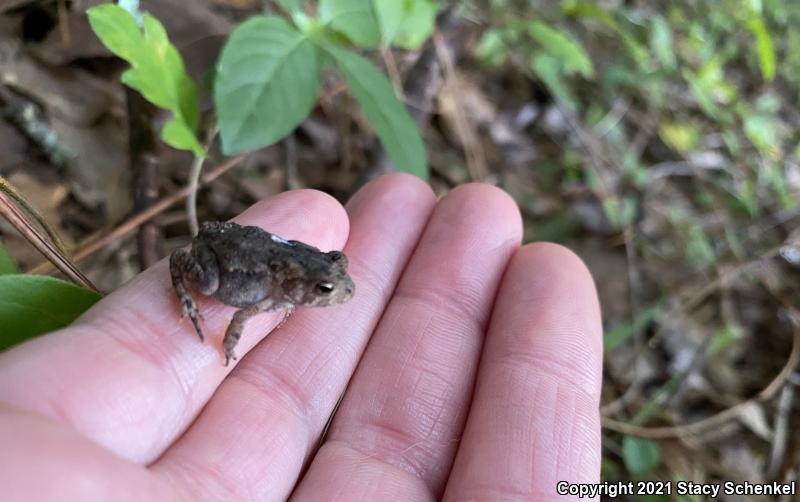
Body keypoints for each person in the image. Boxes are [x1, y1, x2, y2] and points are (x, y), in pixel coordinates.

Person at [0, 174, 602, 501]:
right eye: (323, 291)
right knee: (203, 278)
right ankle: (186, 290)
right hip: (229, 259)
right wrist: (219, 338)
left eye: (329, 286)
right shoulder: (266, 293)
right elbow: (237, 315)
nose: (334, 295)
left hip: (255, 249)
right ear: (297, 287)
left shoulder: (289, 284)